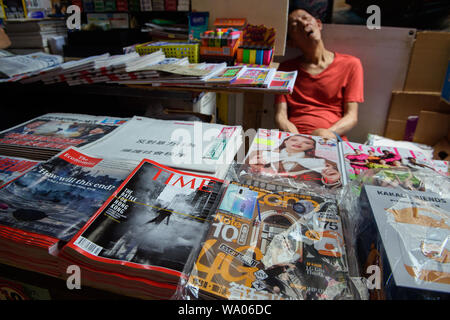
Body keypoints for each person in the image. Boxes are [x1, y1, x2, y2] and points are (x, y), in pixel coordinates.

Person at [274, 4, 364, 141]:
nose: (303, 24)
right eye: (294, 25)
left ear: (319, 24)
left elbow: (352, 116)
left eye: (306, 18)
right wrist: (295, 137)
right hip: (295, 138)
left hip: (331, 138)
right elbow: (281, 115)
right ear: (292, 42)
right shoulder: (285, 69)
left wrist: (326, 134)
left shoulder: (351, 64)